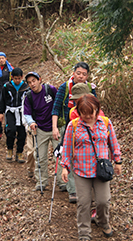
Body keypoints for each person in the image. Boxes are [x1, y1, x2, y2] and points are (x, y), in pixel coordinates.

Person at [60, 94, 122, 241]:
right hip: (81, 170)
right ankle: (84, 233)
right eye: (83, 112)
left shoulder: (105, 123)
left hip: (101, 170)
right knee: (84, 203)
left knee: (103, 200)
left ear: (97, 110)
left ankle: (102, 221)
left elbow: (113, 143)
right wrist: (65, 167)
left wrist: (118, 160)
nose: (87, 116)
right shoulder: (73, 126)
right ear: (78, 111)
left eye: (90, 112)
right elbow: (67, 148)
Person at [52, 62, 97, 203]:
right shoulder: (65, 88)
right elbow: (56, 108)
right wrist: (54, 128)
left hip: (88, 127)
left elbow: (96, 107)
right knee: (70, 155)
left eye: (84, 74)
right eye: (78, 73)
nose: (81, 76)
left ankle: (86, 188)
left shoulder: (90, 88)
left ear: (87, 75)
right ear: (73, 73)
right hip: (68, 127)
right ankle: (72, 190)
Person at [23, 72, 66, 191]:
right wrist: (31, 122)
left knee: (59, 156)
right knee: (40, 157)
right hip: (40, 129)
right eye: (29, 82)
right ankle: (41, 181)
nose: (32, 84)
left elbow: (59, 105)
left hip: (55, 128)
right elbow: (27, 113)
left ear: (39, 80)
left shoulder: (50, 90)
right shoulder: (29, 96)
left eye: (34, 81)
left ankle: (62, 182)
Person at [0, 67, 28, 162]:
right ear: (12, 77)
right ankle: (10, 149)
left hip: (21, 111)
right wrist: (0, 112)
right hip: (10, 111)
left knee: (22, 132)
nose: (17, 80)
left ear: (22, 77)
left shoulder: (26, 87)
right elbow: (2, 100)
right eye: (15, 78)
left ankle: (20, 152)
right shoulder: (7, 86)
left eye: (19, 78)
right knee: (11, 130)